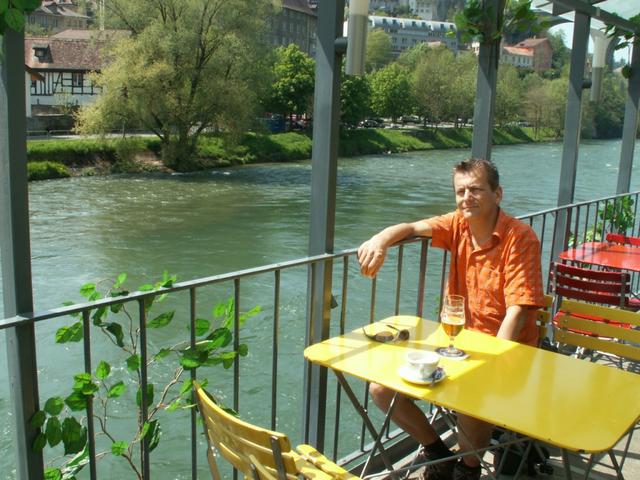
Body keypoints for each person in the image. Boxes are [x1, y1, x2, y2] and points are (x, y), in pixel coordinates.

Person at [356, 158, 544, 480]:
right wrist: (380, 240)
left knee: (470, 393)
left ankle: (468, 469)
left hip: (507, 352)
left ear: (497, 194)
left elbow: (517, 310)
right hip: (455, 344)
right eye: (460, 191)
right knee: (380, 390)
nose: (466, 198)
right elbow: (412, 228)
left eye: (476, 190)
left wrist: (491, 364)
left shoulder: (519, 237)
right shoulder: (458, 224)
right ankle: (438, 452)